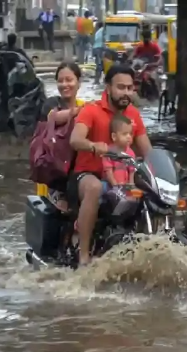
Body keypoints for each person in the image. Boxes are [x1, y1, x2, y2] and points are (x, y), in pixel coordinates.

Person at [69, 64, 153, 266]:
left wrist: (166, 163)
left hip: (123, 176)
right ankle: (84, 254)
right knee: (95, 187)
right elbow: (75, 139)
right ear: (108, 88)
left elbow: (146, 150)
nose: (126, 93)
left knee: (152, 186)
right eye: (120, 87)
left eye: (130, 88)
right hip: (88, 174)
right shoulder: (91, 110)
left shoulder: (133, 114)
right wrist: (93, 146)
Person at [38, 61, 85, 213]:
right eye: (60, 80)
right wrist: (78, 112)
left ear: (79, 82)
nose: (64, 84)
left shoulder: (84, 105)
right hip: (55, 179)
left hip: (79, 173)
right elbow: (54, 117)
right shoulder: (51, 103)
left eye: (69, 80)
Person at [102, 114, 136, 189]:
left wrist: (131, 185)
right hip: (110, 184)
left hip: (124, 184)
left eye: (130, 134)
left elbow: (131, 171)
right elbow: (109, 172)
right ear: (114, 136)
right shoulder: (109, 152)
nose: (129, 137)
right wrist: (115, 186)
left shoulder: (130, 153)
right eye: (124, 134)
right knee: (102, 187)